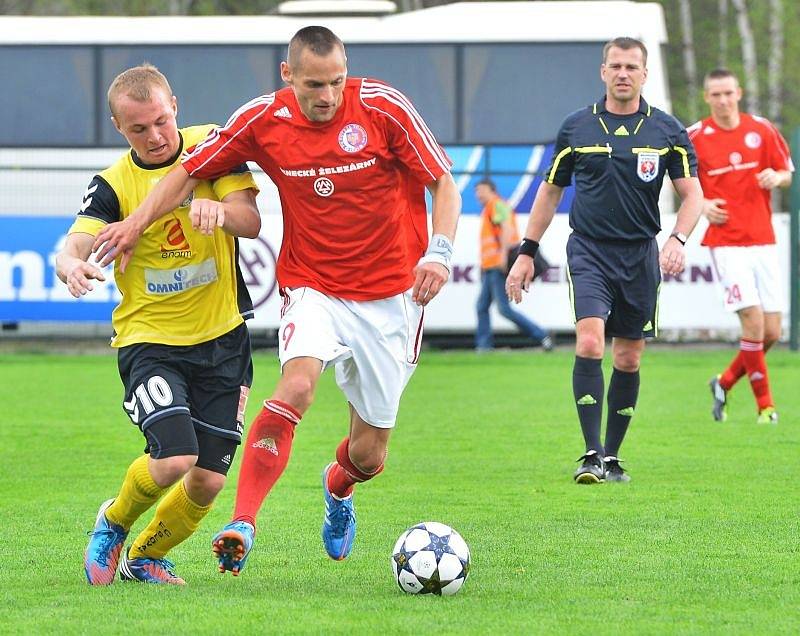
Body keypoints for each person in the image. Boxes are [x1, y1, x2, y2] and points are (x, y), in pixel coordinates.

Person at [89, 26, 461, 575]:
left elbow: (443, 182)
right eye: (314, 84)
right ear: (288, 76)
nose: (328, 96)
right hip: (313, 287)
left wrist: (440, 254)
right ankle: (244, 522)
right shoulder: (263, 118)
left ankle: (338, 489)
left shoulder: (384, 108)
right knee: (297, 384)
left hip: (392, 297)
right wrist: (134, 224)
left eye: (336, 81)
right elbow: (189, 171)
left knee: (368, 455)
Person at [55, 64, 261, 585]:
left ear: (176, 106)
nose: (155, 136)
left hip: (223, 340)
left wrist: (215, 208)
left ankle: (144, 558)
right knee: (174, 459)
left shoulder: (212, 147)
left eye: (161, 121)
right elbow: (80, 237)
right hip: (151, 344)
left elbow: (250, 220)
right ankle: (115, 520)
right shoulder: (114, 184)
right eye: (138, 129)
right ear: (118, 128)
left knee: (209, 480)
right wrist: (68, 261)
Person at [506, 37, 703, 483]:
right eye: (615, 65)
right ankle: (590, 453)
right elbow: (550, 191)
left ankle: (612, 456)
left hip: (640, 254)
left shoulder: (667, 131)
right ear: (603, 71)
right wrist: (526, 253)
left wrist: (678, 239)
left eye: (632, 66)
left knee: (629, 358)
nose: (623, 74)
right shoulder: (577, 127)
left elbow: (693, 196)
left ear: (644, 74)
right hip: (589, 249)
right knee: (591, 342)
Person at [688, 69, 793, 425]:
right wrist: (701, 205)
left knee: (773, 332)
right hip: (727, 243)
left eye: (728, 93)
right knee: (752, 323)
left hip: (763, 239)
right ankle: (766, 407)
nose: (722, 100)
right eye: (715, 94)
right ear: (707, 97)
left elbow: (787, 172)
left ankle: (724, 382)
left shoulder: (761, 129)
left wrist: (776, 177)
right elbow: (680, 182)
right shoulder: (695, 136)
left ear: (739, 93)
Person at [474, 179, 552, 351]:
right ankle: (483, 347)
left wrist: (502, 257)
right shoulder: (490, 208)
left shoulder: (497, 205)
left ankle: (541, 335)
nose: (478, 195)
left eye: (481, 190)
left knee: (504, 309)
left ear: (492, 191)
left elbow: (507, 229)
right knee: (482, 306)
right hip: (490, 266)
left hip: (497, 265)